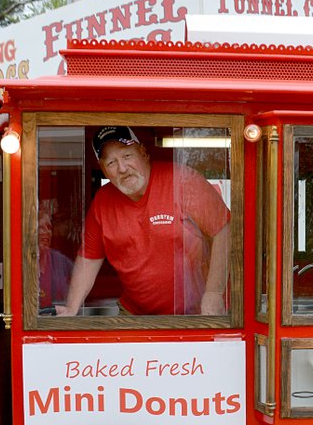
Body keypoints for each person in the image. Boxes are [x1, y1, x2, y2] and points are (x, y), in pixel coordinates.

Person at [56, 126, 231, 316]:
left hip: (196, 313)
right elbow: (89, 258)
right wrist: (71, 309)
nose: (122, 168)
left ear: (143, 153)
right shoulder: (102, 202)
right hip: (136, 315)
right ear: (104, 170)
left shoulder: (182, 181)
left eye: (127, 156)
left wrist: (214, 293)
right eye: (112, 162)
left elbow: (225, 230)